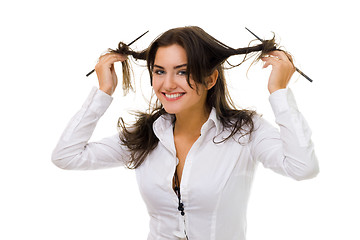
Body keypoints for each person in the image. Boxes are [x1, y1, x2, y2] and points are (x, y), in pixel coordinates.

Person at [52, 26, 319, 240]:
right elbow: (66, 156)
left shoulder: (246, 131)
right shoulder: (145, 136)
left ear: (210, 79)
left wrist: (279, 93)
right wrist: (103, 92)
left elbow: (303, 167)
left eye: (183, 72)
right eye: (159, 71)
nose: (167, 84)